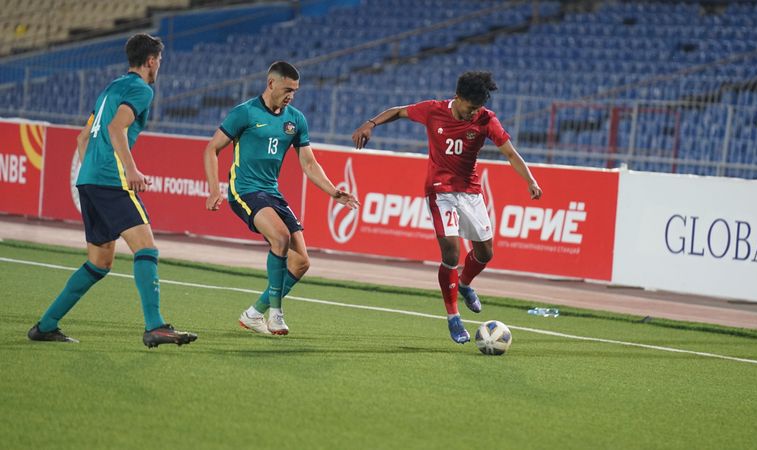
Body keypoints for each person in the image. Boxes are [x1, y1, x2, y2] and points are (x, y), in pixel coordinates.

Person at [27, 34, 198, 348]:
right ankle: (155, 326)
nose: (160, 65)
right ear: (150, 61)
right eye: (159, 59)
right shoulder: (141, 89)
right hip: (110, 179)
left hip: (89, 178)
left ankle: (46, 325)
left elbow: (82, 139)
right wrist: (129, 170)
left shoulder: (111, 88)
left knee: (99, 262)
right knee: (146, 248)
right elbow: (115, 128)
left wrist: (91, 170)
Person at [351, 71, 542, 344]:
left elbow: (510, 153)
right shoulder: (433, 110)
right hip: (440, 192)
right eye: (470, 107)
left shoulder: (487, 119)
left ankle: (464, 284)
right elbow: (398, 111)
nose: (473, 113)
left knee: (485, 252)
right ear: (458, 98)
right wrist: (370, 123)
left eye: (478, 108)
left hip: (471, 192)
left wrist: (530, 180)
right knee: (451, 252)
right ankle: (453, 317)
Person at [203, 61, 359, 336]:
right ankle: (276, 313)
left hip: (271, 192)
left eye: (295, 91)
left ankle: (253, 314)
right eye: (288, 89)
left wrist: (334, 191)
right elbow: (211, 149)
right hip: (245, 189)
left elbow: (309, 163)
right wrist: (215, 189)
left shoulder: (296, 119)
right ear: (271, 83)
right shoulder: (245, 113)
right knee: (281, 237)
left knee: (301, 262)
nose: (291, 95)